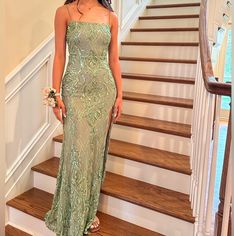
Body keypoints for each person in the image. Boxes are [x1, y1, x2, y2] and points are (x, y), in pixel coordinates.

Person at [44, 0, 122, 235]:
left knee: (94, 153)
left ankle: (87, 211)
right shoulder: (63, 12)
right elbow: (59, 56)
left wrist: (120, 95)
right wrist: (55, 94)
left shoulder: (111, 17)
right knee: (76, 152)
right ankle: (70, 212)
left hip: (103, 91)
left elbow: (114, 60)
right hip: (75, 91)